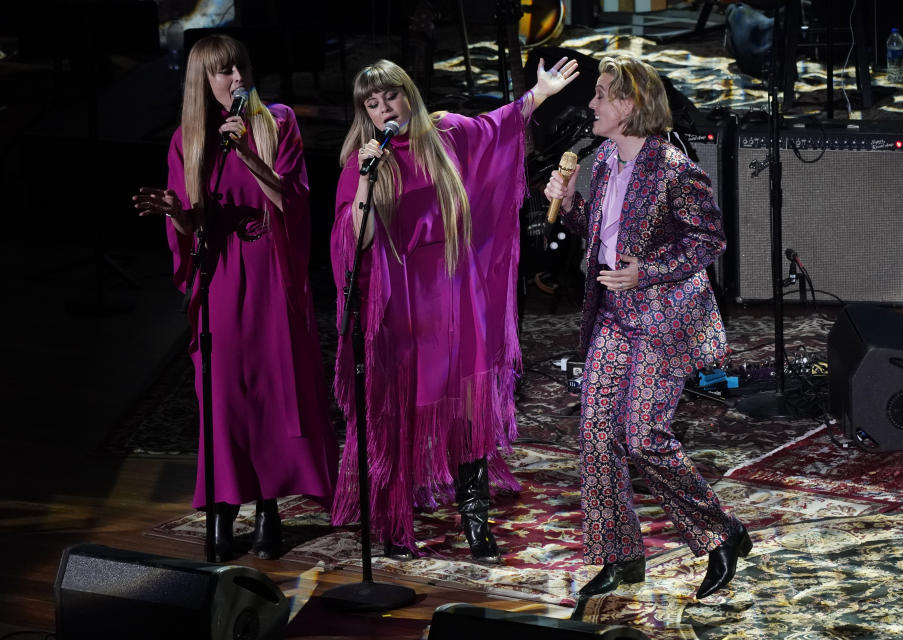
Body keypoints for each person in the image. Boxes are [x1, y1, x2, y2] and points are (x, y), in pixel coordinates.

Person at [331, 58, 578, 562]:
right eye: (372, 106)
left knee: (467, 408)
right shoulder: (366, 161)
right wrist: (364, 182)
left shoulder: (447, 133)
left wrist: (541, 93)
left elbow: (497, 127)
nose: (384, 111)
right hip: (402, 300)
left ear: (408, 94)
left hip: (456, 290)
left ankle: (474, 517)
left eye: (390, 98)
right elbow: (357, 241)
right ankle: (398, 519)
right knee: (400, 408)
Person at [543, 52, 750, 599]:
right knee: (596, 434)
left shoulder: (676, 168)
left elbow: (709, 240)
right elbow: (604, 232)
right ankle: (619, 557)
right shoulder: (606, 159)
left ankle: (722, 532)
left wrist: (647, 272)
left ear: (630, 104)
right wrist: (569, 205)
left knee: (643, 437)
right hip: (614, 316)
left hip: (663, 320)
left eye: (602, 94)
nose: (591, 103)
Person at [133, 34, 338, 562]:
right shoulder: (188, 138)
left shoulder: (279, 122)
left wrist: (247, 150)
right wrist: (174, 213)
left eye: (241, 68)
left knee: (271, 387)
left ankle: (268, 508)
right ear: (204, 80)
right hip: (220, 273)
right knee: (222, 395)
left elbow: (291, 203)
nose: (236, 79)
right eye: (223, 72)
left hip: (269, 267)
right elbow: (193, 225)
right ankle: (222, 508)